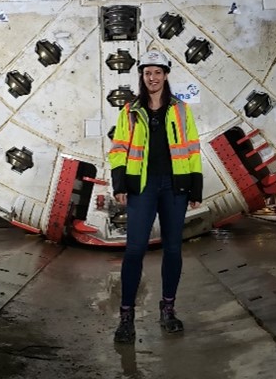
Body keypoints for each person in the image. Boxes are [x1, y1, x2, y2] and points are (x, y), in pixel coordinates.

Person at [108, 49, 203, 344]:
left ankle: (168, 308)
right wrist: (120, 184)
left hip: (175, 187)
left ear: (166, 75)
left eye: (158, 72)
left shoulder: (181, 110)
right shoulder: (130, 111)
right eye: (148, 73)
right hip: (143, 187)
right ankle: (126, 316)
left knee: (173, 250)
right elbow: (118, 149)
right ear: (142, 76)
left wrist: (195, 187)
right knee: (134, 250)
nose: (153, 77)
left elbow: (193, 148)